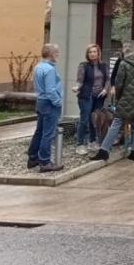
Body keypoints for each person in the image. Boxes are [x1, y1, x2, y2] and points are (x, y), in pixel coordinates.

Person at [91, 42, 134, 162]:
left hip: (125, 97)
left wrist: (118, 96)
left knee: (117, 122)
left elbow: (118, 83)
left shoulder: (124, 63)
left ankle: (104, 150)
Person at [27, 43, 64, 173]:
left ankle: (32, 158)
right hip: (49, 103)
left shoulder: (38, 66)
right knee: (48, 133)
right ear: (52, 54)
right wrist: (58, 102)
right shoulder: (49, 69)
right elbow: (50, 90)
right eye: (57, 52)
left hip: (40, 102)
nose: (58, 54)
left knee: (39, 131)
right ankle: (45, 161)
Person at [72, 44, 109, 155]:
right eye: (90, 52)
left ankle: (92, 141)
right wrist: (77, 87)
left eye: (94, 52)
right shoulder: (84, 65)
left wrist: (105, 90)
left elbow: (108, 79)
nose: (92, 54)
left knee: (94, 119)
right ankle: (80, 144)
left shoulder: (103, 65)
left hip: (99, 97)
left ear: (98, 53)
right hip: (86, 96)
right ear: (87, 54)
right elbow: (80, 80)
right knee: (84, 119)